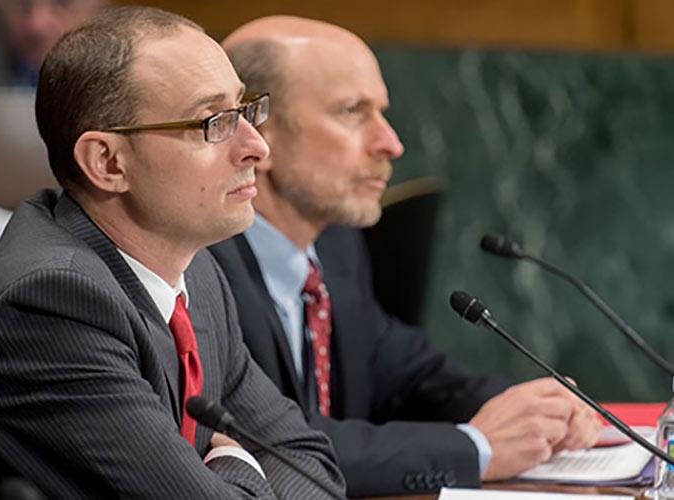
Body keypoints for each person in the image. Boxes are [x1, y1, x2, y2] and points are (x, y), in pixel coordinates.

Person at [0, 7, 345, 499]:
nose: (256, 147)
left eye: (245, 109)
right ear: (106, 162)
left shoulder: (195, 268)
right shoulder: (50, 302)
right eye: (215, 121)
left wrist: (228, 470)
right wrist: (237, 460)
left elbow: (312, 464)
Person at [209, 15, 601, 497]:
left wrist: (535, 412)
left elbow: (403, 371)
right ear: (256, 133)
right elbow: (271, 444)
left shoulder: (334, 243)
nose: (391, 143)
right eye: (352, 111)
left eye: (382, 111)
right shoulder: (202, 264)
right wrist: (477, 447)